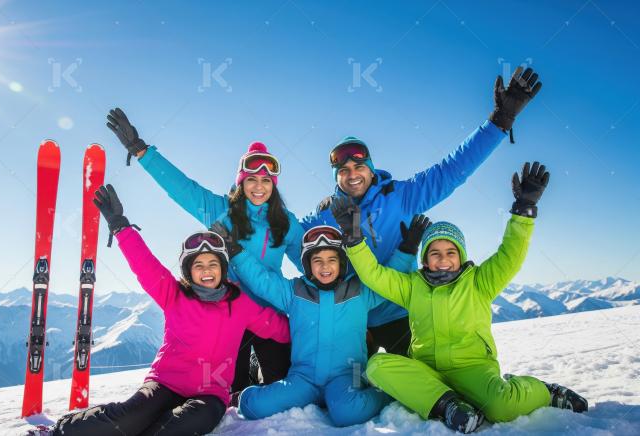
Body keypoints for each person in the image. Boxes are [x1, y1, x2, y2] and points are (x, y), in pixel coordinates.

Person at [301, 67, 544, 358]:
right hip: (353, 320)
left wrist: (499, 122)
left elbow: (451, 171)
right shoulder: (326, 217)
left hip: (402, 315)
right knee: (348, 393)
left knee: (415, 389)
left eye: (359, 167)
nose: (352, 174)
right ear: (335, 177)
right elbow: (279, 228)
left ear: (371, 168)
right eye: (343, 170)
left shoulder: (400, 197)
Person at [333, 162, 588, 433]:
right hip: (427, 371)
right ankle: (447, 405)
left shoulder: (480, 281)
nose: (443, 259)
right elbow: (374, 275)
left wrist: (523, 210)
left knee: (502, 408)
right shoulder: (412, 286)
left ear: (461, 256)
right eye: (435, 253)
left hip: (474, 370)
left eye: (450, 252)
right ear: (426, 259)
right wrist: (353, 240)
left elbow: (510, 255)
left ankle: (546, 393)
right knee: (377, 365)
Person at [52, 184, 290, 436]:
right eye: (199, 265)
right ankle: (60, 430)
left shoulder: (239, 302)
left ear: (222, 268)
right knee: (128, 418)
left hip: (210, 395)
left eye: (213, 263)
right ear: (189, 271)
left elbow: (278, 328)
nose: (207, 270)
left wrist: (316, 324)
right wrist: (120, 226)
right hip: (165, 384)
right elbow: (145, 264)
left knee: (177, 428)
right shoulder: (174, 294)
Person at [107, 108, 302, 396]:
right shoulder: (221, 211)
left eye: (265, 181)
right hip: (230, 316)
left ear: (273, 185)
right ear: (241, 182)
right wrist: (141, 151)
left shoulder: (286, 223)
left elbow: (310, 264)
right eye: (251, 180)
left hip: (269, 315)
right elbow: (182, 188)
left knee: (280, 388)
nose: (258, 187)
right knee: (233, 394)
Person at [212, 222, 415, 427]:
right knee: (252, 407)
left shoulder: (360, 291)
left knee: (347, 413)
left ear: (342, 263)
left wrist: (407, 250)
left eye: (332, 259)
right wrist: (235, 250)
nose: (325, 266)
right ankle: (241, 394)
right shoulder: (294, 292)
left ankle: (387, 393)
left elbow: (386, 279)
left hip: (349, 373)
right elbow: (261, 280)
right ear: (308, 265)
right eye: (317, 260)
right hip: (304, 378)